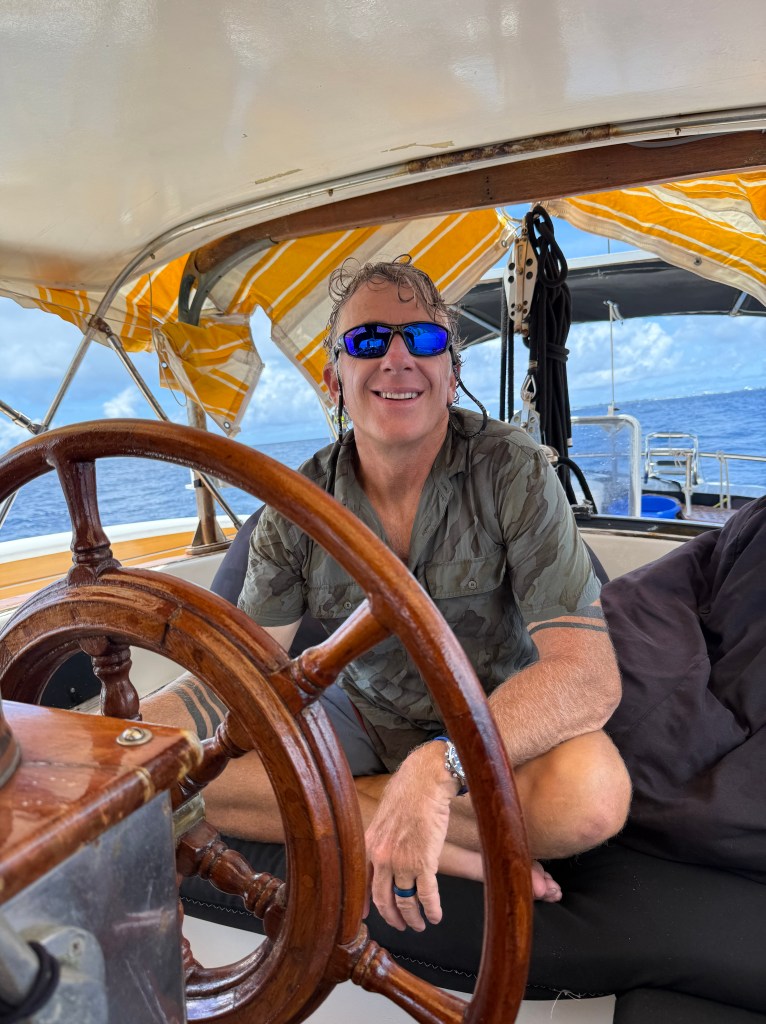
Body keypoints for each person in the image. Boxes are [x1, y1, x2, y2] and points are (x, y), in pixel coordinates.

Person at [145, 256, 631, 933]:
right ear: (334, 380)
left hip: (499, 716)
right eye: (369, 340)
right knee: (153, 768)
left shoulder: (511, 468)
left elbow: (588, 676)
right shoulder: (295, 507)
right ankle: (403, 821)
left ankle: (393, 808)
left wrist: (441, 767)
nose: (397, 358)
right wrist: (124, 732)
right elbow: (237, 676)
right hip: (363, 713)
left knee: (592, 797)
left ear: (450, 374)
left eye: (423, 340)